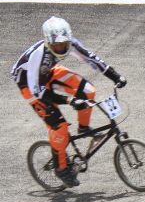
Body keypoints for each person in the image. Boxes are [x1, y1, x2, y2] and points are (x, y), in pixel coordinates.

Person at [10, 16, 127, 187]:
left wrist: (116, 76)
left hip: (49, 73)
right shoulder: (41, 57)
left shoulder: (71, 43)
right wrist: (70, 100)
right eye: (56, 45)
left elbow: (92, 59)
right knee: (59, 126)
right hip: (29, 84)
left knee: (88, 91)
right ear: (49, 43)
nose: (61, 48)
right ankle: (61, 168)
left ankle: (84, 127)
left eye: (64, 44)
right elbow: (40, 91)